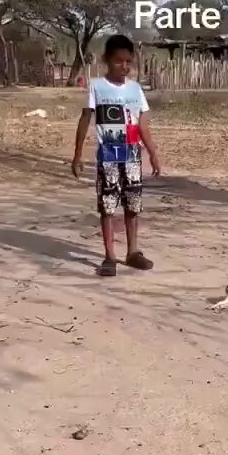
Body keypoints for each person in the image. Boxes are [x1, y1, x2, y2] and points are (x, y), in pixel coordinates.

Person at [71, 34, 161, 277]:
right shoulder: (97, 86)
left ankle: (133, 252)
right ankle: (109, 256)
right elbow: (85, 119)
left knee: (133, 205)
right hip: (108, 156)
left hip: (132, 156)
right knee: (108, 206)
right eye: (119, 61)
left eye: (128, 61)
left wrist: (153, 153)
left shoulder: (135, 89)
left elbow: (143, 125)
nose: (124, 66)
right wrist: (77, 154)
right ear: (107, 60)